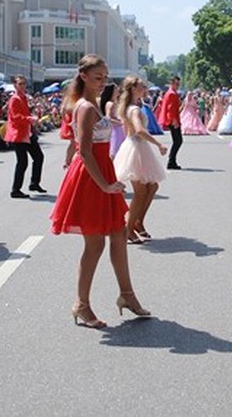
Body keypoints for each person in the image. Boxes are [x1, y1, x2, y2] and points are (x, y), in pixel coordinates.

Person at [49, 55, 149, 328]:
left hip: (102, 173)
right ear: (83, 76)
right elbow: (83, 150)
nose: (103, 81)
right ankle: (81, 303)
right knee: (95, 244)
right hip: (91, 178)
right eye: (97, 77)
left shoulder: (91, 104)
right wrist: (104, 184)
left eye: (105, 77)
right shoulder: (84, 107)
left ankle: (127, 295)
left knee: (118, 234)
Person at [113, 75, 168, 244]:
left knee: (152, 186)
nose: (145, 89)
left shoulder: (133, 106)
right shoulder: (134, 109)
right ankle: (129, 229)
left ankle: (137, 222)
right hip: (136, 147)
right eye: (142, 87)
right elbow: (139, 130)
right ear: (133, 89)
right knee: (141, 191)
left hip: (137, 147)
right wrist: (158, 143)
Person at [5, 75, 46, 199]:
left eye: (24, 84)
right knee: (22, 162)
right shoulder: (15, 99)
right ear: (15, 85)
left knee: (38, 157)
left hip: (27, 133)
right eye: (20, 84)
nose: (23, 86)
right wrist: (30, 119)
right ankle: (15, 189)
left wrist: (31, 119)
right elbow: (16, 117)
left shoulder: (23, 98)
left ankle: (34, 183)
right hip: (19, 134)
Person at [157, 76, 183, 169]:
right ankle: (171, 161)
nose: (178, 86)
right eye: (176, 84)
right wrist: (174, 121)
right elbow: (170, 109)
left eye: (179, 84)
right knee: (178, 141)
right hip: (173, 120)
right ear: (172, 83)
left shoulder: (170, 93)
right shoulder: (172, 94)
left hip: (172, 119)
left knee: (177, 141)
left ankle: (172, 160)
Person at [101, 83, 125, 158]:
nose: (118, 90)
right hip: (115, 129)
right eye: (116, 89)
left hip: (118, 128)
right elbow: (108, 118)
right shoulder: (110, 104)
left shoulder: (114, 102)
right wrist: (120, 122)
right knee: (114, 150)